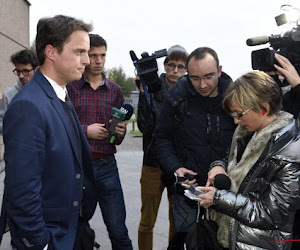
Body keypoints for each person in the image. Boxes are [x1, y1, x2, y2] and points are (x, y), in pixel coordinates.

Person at [0, 15, 97, 249]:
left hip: (69, 229)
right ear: (51, 52)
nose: (87, 61)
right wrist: (40, 243)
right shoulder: (28, 106)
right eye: (79, 52)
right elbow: (21, 189)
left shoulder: (59, 93)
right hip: (49, 237)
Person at [199, 71, 300, 250]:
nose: (236, 121)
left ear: (264, 108)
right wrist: (219, 166)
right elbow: (233, 162)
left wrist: (218, 198)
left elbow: (271, 214)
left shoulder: (290, 152)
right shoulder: (247, 132)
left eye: (239, 114)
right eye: (233, 115)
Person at [155, 47, 236, 246]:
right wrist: (175, 167)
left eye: (208, 76)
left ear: (219, 70)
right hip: (188, 190)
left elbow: (246, 140)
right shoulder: (176, 98)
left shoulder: (234, 98)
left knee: (223, 242)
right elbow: (161, 137)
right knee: (186, 240)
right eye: (195, 78)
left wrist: (223, 165)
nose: (202, 85)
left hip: (226, 189)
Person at [67, 34, 132, 250]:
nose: (98, 60)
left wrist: (120, 131)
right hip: (78, 166)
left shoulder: (115, 90)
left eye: (102, 55)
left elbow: (118, 138)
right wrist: (86, 131)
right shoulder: (71, 87)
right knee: (77, 228)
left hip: (107, 166)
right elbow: (60, 127)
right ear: (84, 56)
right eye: (93, 55)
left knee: (118, 231)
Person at [137, 45, 188, 250]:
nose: (175, 70)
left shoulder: (189, 91)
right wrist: (143, 92)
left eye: (180, 67)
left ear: (186, 70)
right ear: (164, 66)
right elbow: (144, 126)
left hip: (177, 165)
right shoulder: (151, 87)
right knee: (147, 221)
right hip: (152, 163)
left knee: (177, 221)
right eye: (171, 65)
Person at [0, 49, 39, 135]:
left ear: (36, 69)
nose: (21, 76)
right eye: (18, 71)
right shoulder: (8, 95)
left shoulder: (45, 92)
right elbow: (1, 123)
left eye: (25, 71)